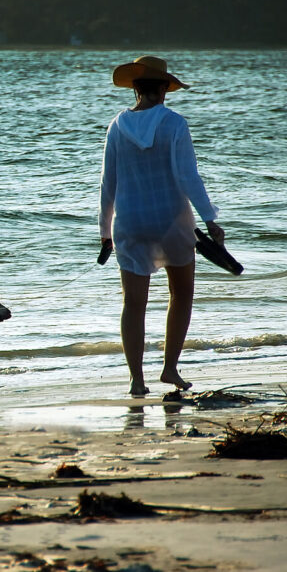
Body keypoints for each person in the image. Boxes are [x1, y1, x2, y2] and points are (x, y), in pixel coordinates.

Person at [98, 55, 224, 396]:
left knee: (133, 303)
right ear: (165, 89)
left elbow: (108, 184)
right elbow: (188, 177)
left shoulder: (117, 126)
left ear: (135, 88)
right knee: (181, 295)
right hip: (172, 222)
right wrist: (210, 219)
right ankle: (169, 369)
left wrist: (105, 233)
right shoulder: (174, 123)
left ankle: (136, 380)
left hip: (131, 223)